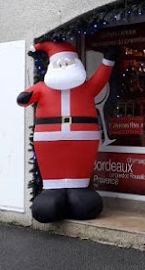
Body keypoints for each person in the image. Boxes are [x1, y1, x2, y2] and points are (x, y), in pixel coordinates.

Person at [17, 41, 115, 223]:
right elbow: (25, 98)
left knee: (80, 173)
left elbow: (100, 80)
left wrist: (108, 61)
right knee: (52, 173)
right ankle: (52, 192)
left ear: (77, 64)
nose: (63, 65)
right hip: (48, 141)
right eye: (59, 63)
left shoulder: (86, 87)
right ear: (51, 66)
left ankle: (79, 190)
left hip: (82, 140)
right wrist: (24, 98)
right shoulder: (42, 88)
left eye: (68, 62)